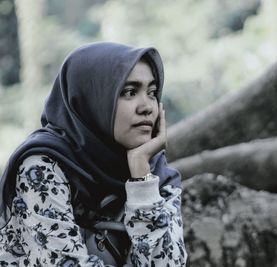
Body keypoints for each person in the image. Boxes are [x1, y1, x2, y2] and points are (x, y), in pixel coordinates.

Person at [0, 42, 187, 266]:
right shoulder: (43, 166)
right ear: (91, 99)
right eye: (129, 92)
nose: (147, 106)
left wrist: (142, 182)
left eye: (152, 93)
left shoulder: (155, 173)